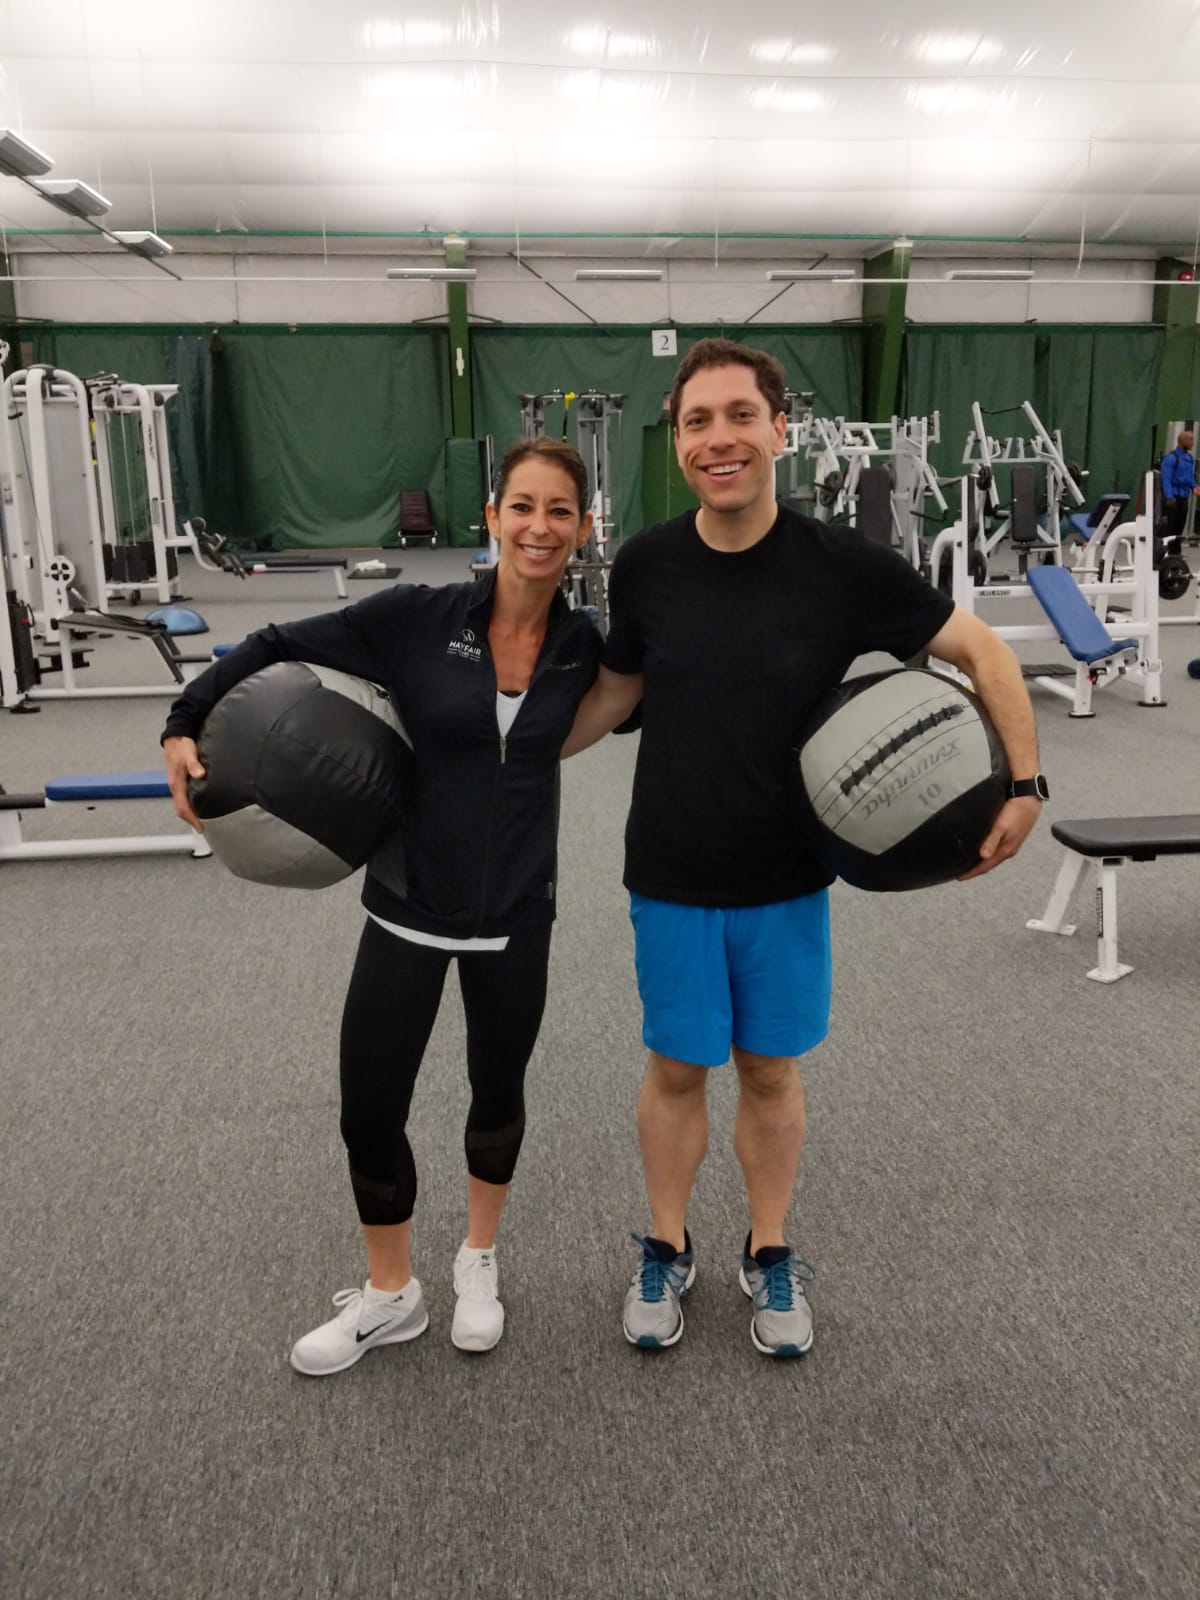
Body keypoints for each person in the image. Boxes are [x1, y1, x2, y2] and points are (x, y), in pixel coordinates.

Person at [563, 338, 1046, 1358]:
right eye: (698, 421)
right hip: (673, 867)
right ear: (678, 441)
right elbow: (614, 691)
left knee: (770, 1071)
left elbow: (981, 649)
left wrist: (1025, 780)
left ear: (779, 429)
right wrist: (511, 753)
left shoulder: (841, 566)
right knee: (676, 1069)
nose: (720, 439)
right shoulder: (646, 565)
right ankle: (666, 1244)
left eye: (741, 415)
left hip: (789, 874)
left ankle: (770, 1249)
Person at [163, 438, 601, 1374]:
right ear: (493, 517)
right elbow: (276, 644)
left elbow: (680, 688)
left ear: (584, 527)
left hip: (517, 913)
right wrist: (182, 720)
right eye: (523, 506)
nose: (540, 526)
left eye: (560, 510)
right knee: (368, 1110)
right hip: (407, 904)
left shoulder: (583, 648)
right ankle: (391, 1293)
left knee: (497, 1097)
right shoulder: (417, 618)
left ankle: (478, 1261)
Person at [1159, 430, 1200, 541]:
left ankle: (1175, 549)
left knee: (1179, 527)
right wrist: (1169, 497)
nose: (1193, 443)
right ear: (1182, 441)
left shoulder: (1189, 458)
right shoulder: (1171, 458)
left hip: (1183, 498)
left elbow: (1189, 477)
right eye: (1190, 440)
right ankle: (1163, 548)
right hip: (1172, 498)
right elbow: (1166, 479)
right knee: (1168, 527)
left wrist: (1195, 486)